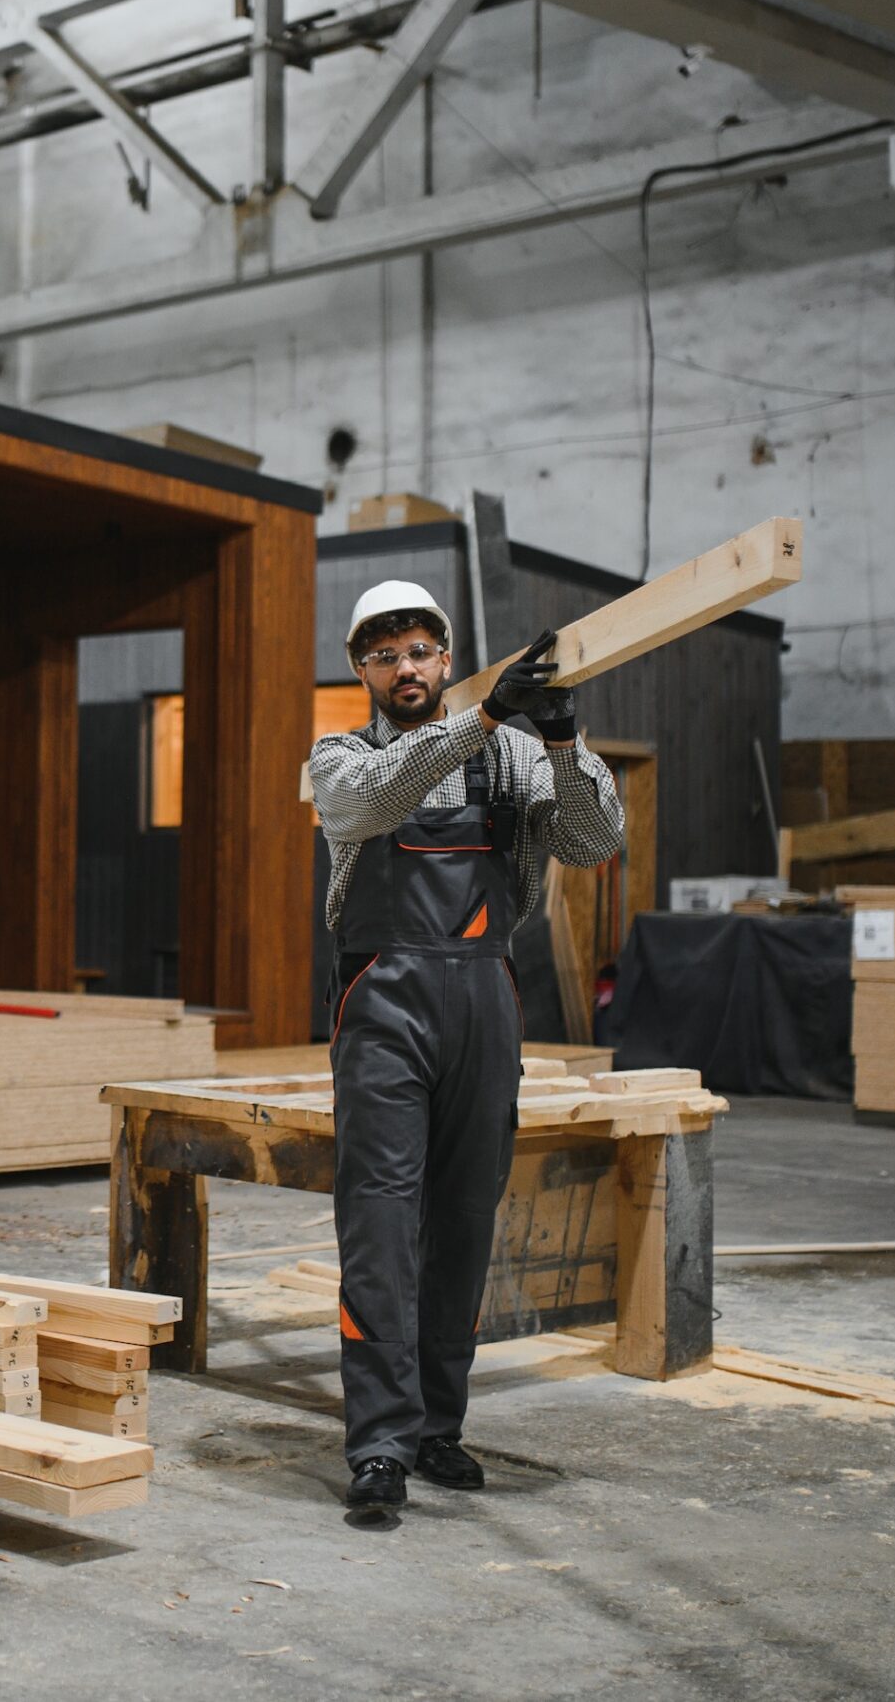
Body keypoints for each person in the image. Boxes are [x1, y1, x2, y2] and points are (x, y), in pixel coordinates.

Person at [308, 581, 626, 1516]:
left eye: (420, 651)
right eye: (383, 655)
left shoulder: (519, 759)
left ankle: (436, 1428)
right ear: (361, 670)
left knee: (463, 1222)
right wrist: (488, 712)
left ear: (444, 657)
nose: (404, 669)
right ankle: (378, 1446)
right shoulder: (341, 758)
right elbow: (386, 794)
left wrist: (565, 740)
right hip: (385, 1003)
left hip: (485, 995)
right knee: (379, 1221)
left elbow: (594, 840)